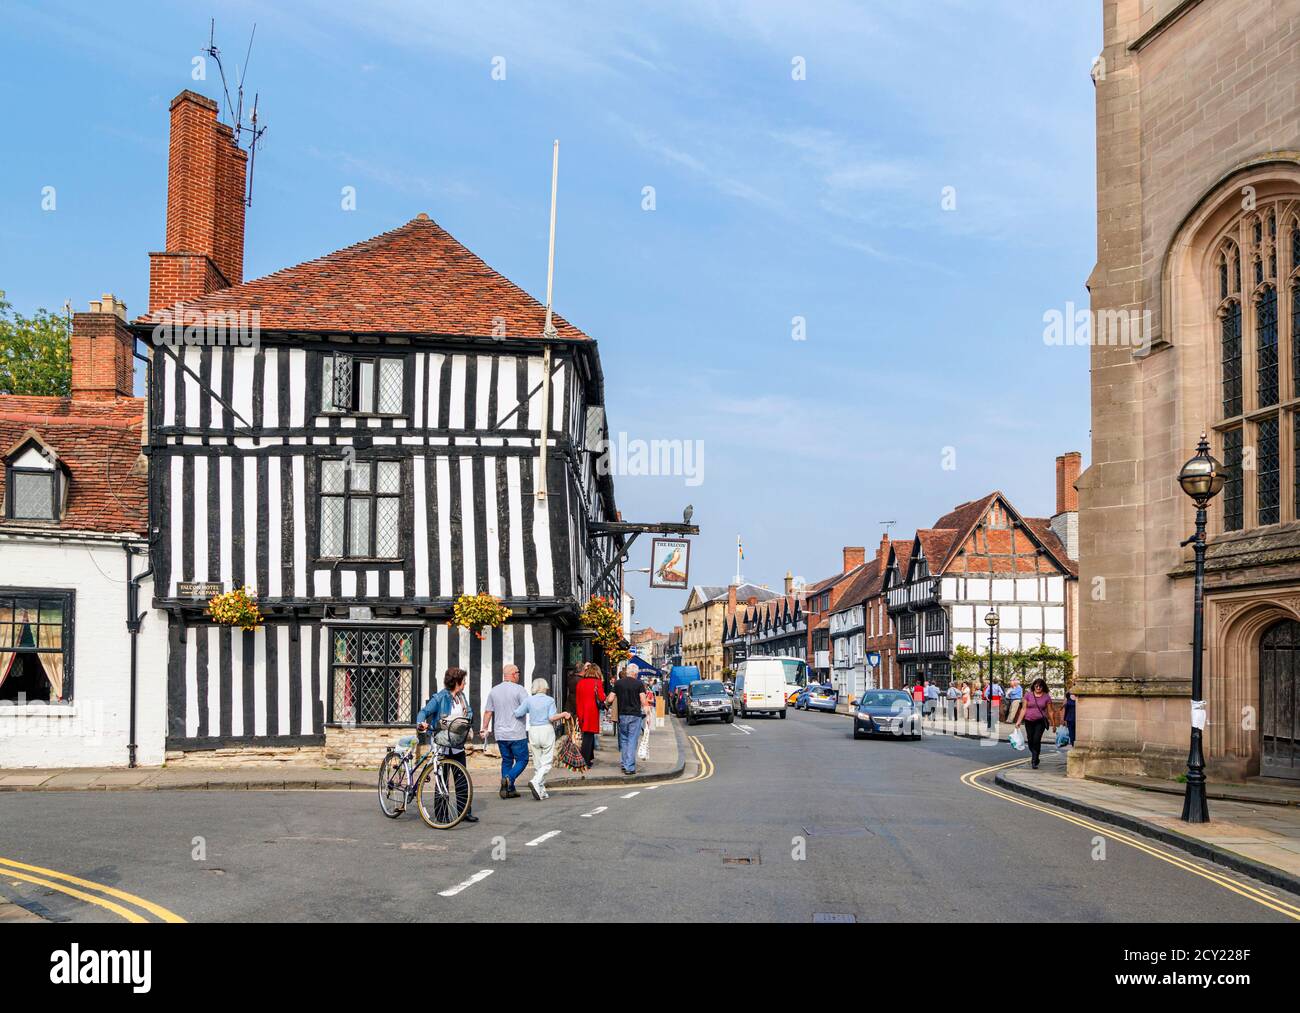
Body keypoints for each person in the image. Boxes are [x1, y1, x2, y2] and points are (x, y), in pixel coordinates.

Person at [416, 667, 478, 823]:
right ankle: (442, 814)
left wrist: (467, 719)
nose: (465, 683)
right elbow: (424, 712)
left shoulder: (462, 696)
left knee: (461, 779)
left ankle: (464, 812)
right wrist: (420, 723)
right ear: (457, 682)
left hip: (457, 744)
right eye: (463, 681)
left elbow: (469, 712)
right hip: (442, 744)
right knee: (442, 779)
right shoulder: (440, 698)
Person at [513, 678, 570, 799]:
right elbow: (551, 717)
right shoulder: (549, 700)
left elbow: (518, 713)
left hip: (533, 730)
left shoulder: (529, 700)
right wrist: (563, 714)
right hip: (546, 730)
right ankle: (535, 781)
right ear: (545, 687)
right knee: (547, 763)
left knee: (537, 762)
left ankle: (541, 790)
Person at [480, 663, 529, 800]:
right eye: (518, 673)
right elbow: (527, 707)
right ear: (513, 674)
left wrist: (484, 728)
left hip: (500, 733)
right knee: (522, 759)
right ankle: (509, 778)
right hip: (516, 733)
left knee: (507, 760)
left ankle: (508, 789)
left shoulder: (494, 690)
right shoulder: (520, 690)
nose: (519, 675)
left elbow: (488, 711)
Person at [612, 665, 650, 775]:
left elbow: (610, 698)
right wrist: (648, 713)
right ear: (635, 673)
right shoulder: (639, 684)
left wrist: (606, 704)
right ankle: (629, 767)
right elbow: (643, 700)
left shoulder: (618, 683)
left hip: (622, 715)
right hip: (635, 716)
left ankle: (624, 764)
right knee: (632, 740)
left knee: (624, 740)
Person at [1016, 677, 1054, 769]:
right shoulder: (1028, 695)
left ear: (1043, 687)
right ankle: (1035, 754)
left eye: (1040, 686)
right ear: (1034, 686)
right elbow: (1023, 709)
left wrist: (1053, 723)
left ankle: (1034, 759)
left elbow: (1050, 711)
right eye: (1036, 686)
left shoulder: (1046, 697)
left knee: (1036, 739)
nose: (1038, 688)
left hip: (1040, 721)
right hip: (1028, 721)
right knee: (1030, 740)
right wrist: (1018, 722)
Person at [574, 662, 606, 767]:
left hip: (581, 711)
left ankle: (590, 757)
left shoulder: (580, 682)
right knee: (588, 737)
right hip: (591, 712)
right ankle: (585, 761)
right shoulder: (597, 682)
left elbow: (577, 699)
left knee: (588, 735)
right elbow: (602, 698)